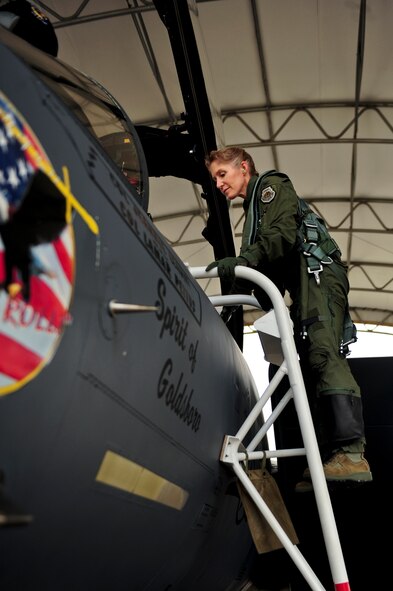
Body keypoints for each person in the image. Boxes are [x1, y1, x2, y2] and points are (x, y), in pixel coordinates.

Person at [204, 146, 372, 488]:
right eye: (215, 178)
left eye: (223, 174)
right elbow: (272, 270)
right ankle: (329, 457)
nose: (219, 184)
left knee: (324, 353)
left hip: (318, 275)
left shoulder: (271, 187)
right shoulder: (253, 210)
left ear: (244, 167)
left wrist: (243, 261)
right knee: (308, 364)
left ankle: (352, 454)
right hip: (303, 285)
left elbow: (279, 236)